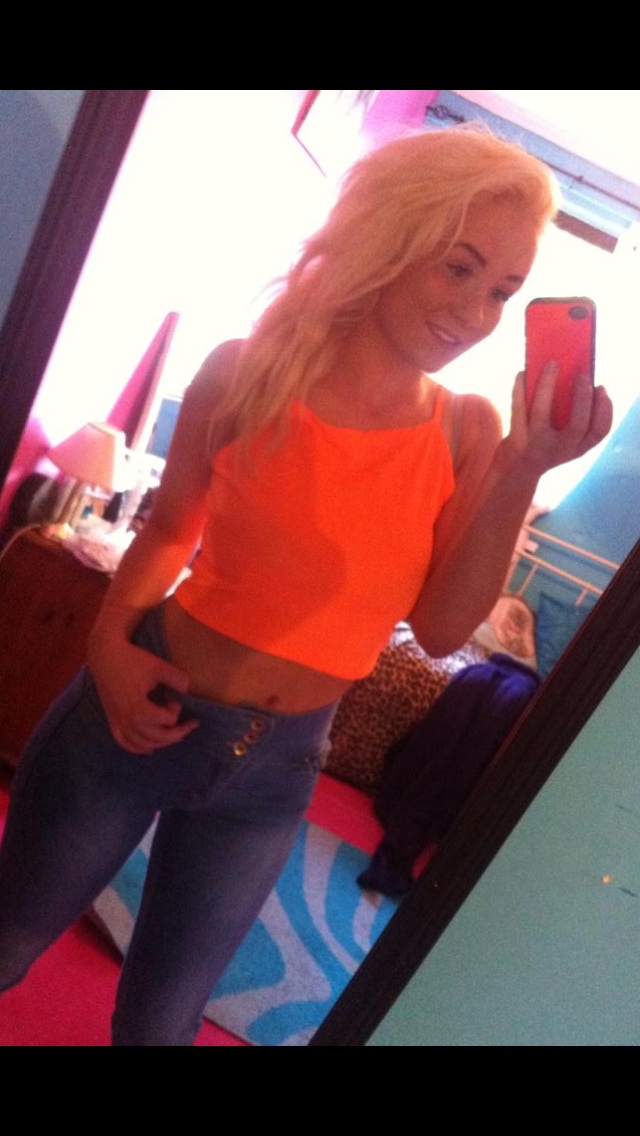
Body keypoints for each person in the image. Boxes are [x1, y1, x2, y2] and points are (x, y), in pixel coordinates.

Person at [0, 124, 613, 1046]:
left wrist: (522, 471)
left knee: (160, 1025)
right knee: (8, 943)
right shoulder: (244, 372)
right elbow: (168, 532)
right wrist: (107, 648)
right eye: (458, 267)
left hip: (279, 769)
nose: (476, 312)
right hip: (138, 708)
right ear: (390, 240)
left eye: (502, 291)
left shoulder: (468, 430)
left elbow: (442, 631)